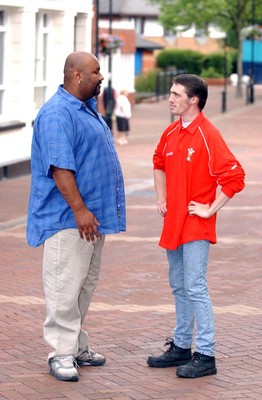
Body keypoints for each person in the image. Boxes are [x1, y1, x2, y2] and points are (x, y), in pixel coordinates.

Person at [26, 51, 126, 382]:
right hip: (69, 220)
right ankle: (61, 353)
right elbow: (59, 168)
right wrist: (80, 210)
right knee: (64, 287)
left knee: (83, 287)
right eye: (96, 72)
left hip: (90, 221)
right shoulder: (57, 113)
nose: (102, 77)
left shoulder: (84, 110)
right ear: (77, 75)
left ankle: (77, 346)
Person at [147, 74, 245, 378]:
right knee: (179, 286)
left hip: (195, 226)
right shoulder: (170, 132)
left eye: (177, 94)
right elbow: (158, 163)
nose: (171, 98)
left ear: (194, 100)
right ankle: (180, 346)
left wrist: (210, 209)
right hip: (172, 224)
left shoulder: (208, 134)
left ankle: (206, 354)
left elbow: (235, 177)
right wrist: (162, 198)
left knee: (195, 287)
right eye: (171, 93)